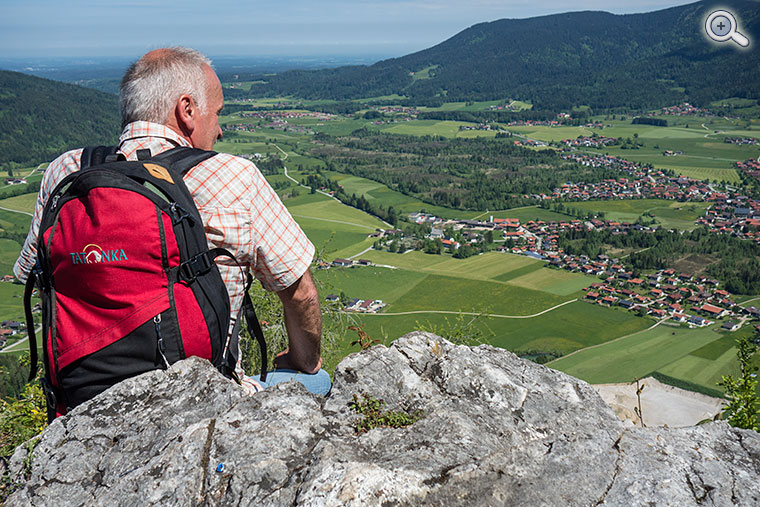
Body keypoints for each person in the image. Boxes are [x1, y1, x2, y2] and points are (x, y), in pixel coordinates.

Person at [14, 47, 330, 395]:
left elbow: (33, 275)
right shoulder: (233, 175)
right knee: (317, 381)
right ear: (187, 110)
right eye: (218, 113)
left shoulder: (66, 172)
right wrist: (304, 362)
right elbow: (301, 296)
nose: (220, 130)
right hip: (201, 401)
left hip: (81, 402)